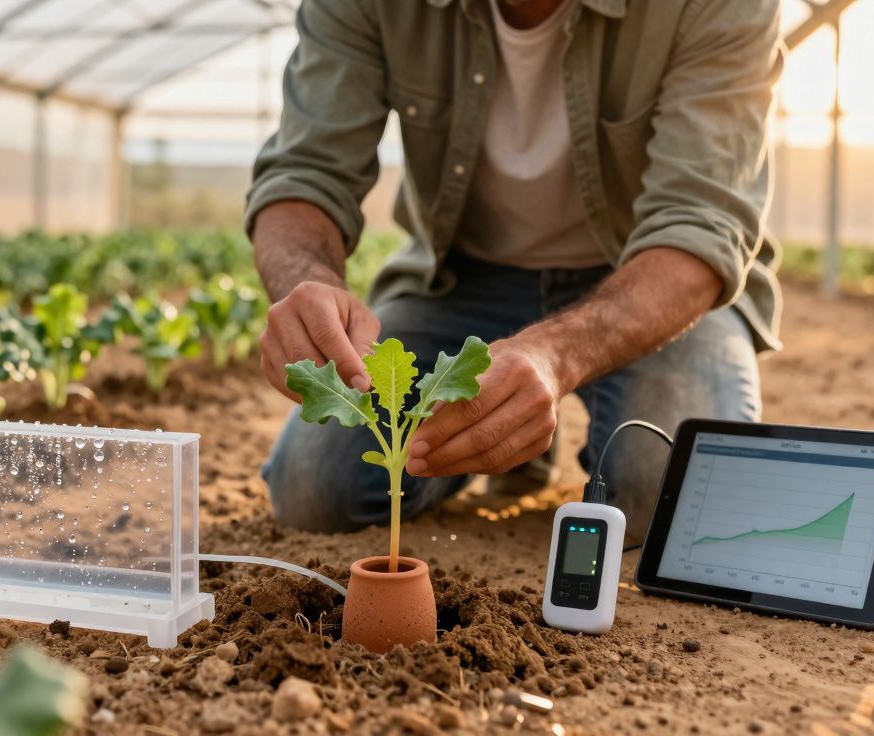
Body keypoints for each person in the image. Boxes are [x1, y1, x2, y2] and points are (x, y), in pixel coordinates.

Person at [246, 0, 783, 542]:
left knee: (677, 496)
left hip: (647, 285)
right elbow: (304, 171)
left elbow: (699, 223)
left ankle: (528, 406)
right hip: (461, 281)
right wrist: (304, 285)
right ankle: (512, 441)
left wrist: (554, 355)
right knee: (316, 490)